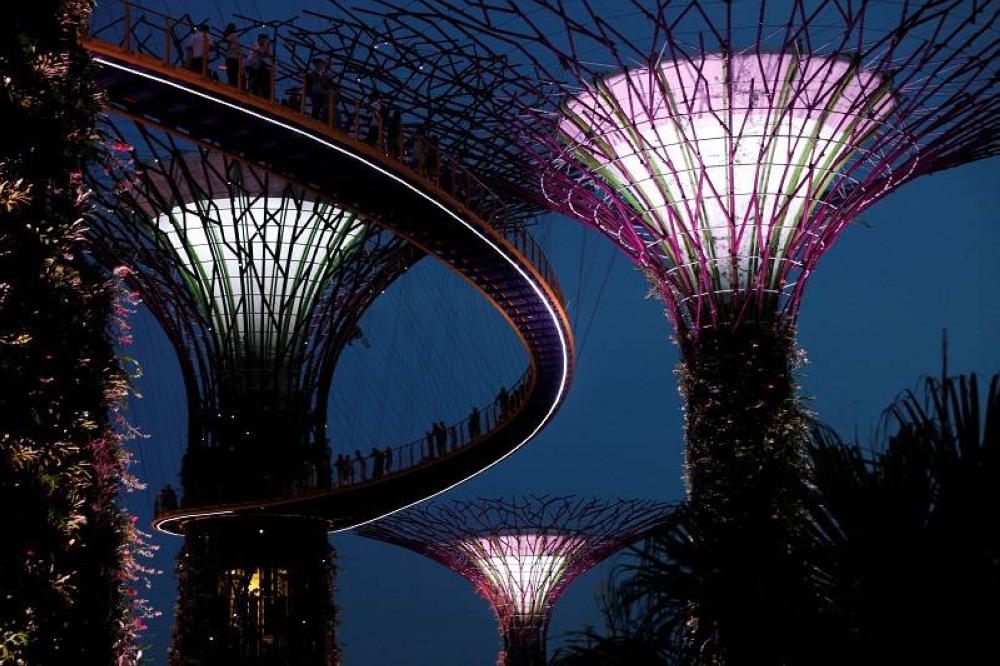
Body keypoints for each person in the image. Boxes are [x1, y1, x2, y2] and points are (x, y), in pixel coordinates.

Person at [307, 57, 334, 122]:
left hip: (320, 92)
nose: (323, 65)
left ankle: (318, 120)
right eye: (322, 64)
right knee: (317, 107)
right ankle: (314, 120)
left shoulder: (322, 73)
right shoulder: (315, 72)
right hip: (316, 92)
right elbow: (317, 80)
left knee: (320, 107)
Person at [247, 33, 273, 99]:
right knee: (255, 79)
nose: (264, 41)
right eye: (264, 40)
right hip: (252, 65)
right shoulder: (255, 45)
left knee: (264, 74)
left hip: (257, 66)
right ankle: (253, 91)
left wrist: (267, 46)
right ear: (260, 39)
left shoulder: (262, 47)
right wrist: (266, 45)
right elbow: (261, 53)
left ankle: (264, 94)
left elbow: (268, 55)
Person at [218, 22, 242, 87]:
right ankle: (233, 85)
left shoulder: (232, 35)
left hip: (231, 58)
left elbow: (225, 40)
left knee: (231, 73)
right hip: (233, 58)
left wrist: (224, 35)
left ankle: (232, 86)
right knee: (233, 74)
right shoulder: (234, 36)